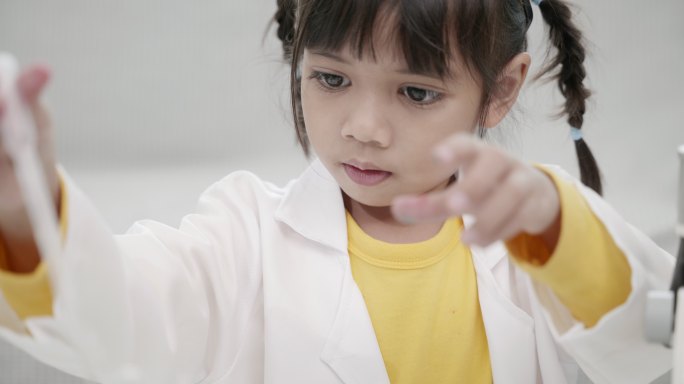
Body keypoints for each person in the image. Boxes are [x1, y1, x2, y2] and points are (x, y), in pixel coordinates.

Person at [0, 0, 675, 383]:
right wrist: (25, 216)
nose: (364, 128)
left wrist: (560, 227)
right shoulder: (242, 239)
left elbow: (650, 346)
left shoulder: (541, 240)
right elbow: (115, 323)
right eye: (330, 79)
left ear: (500, 89)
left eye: (416, 91)